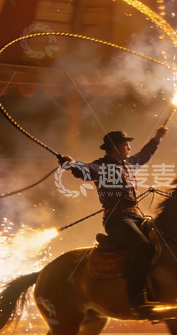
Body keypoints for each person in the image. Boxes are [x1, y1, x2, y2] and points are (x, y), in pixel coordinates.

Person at [59, 127, 168, 317]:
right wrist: (72, 165)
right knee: (143, 247)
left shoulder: (128, 164)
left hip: (136, 216)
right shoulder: (101, 167)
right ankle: (136, 297)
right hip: (117, 220)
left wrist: (157, 138)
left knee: (162, 240)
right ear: (115, 148)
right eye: (126, 144)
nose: (129, 147)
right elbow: (85, 171)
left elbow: (144, 155)